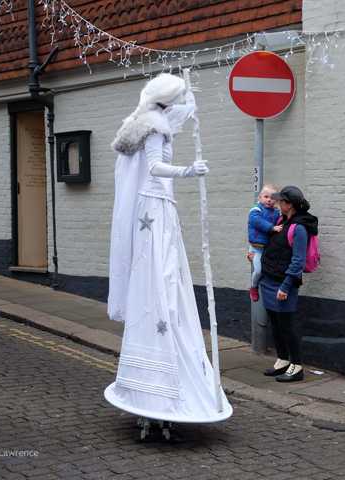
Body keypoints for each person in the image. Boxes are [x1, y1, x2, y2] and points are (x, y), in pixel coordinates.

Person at [104, 74, 232, 423]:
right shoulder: (156, 127)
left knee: (159, 274)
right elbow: (154, 166)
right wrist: (189, 171)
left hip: (149, 206)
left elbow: (177, 117)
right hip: (155, 207)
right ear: (168, 100)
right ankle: (165, 371)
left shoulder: (141, 121)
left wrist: (191, 102)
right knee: (161, 273)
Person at [256, 186, 318, 382]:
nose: (276, 203)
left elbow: (298, 261)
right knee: (275, 324)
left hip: (283, 285)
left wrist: (286, 285)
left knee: (286, 326)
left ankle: (297, 366)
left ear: (289, 204)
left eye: (280, 200)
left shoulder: (299, 228)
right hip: (269, 280)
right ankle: (283, 360)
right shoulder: (282, 221)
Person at [248, 185, 282, 302]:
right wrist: (273, 228)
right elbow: (257, 222)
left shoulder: (276, 212)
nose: (269, 199)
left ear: (277, 200)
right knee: (258, 270)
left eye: (272, 198)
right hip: (257, 249)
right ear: (260, 197)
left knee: (268, 271)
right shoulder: (256, 209)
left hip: (268, 248)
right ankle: (253, 287)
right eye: (266, 196)